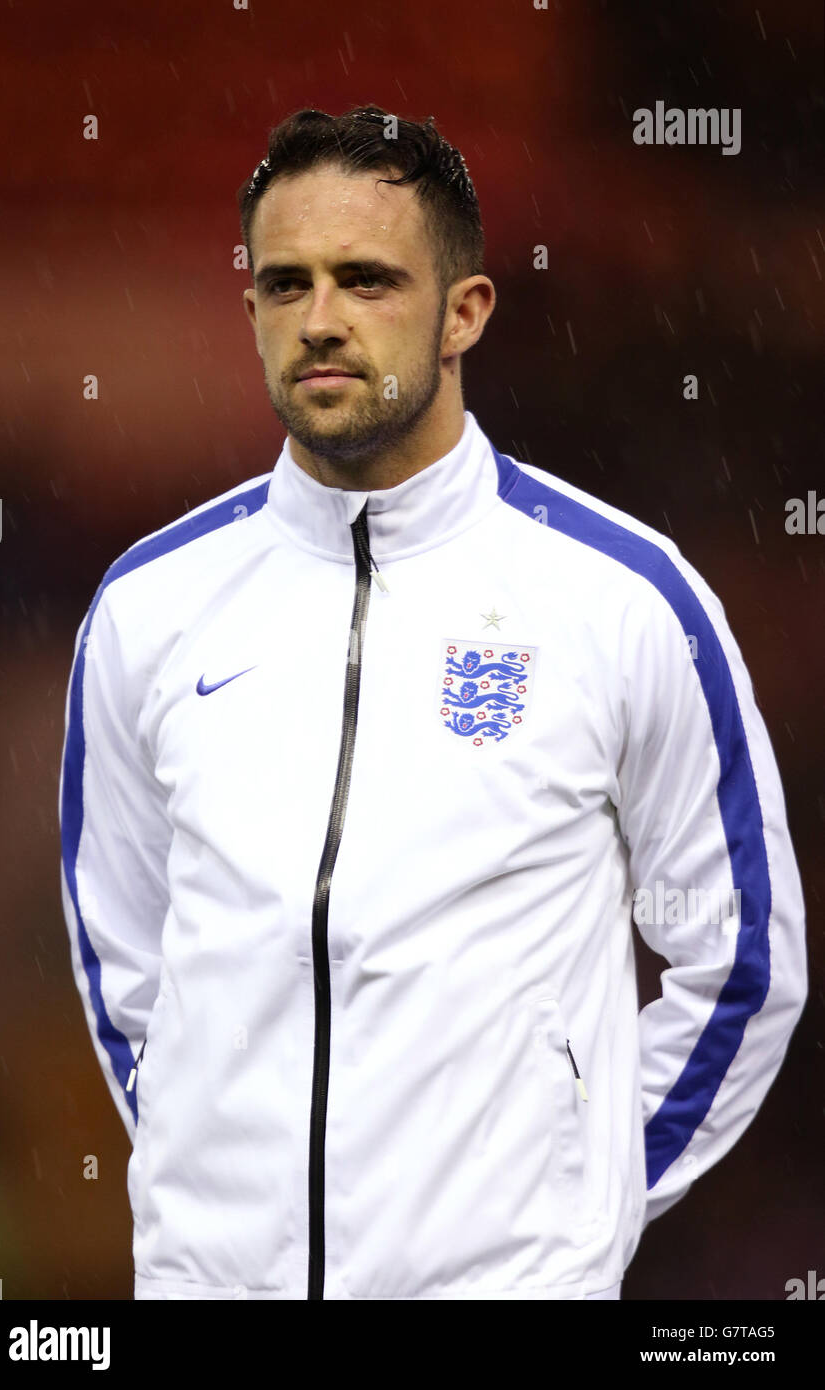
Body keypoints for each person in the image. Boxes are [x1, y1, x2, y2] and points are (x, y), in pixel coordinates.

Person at [58, 105, 807, 1301]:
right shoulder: (150, 606)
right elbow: (125, 965)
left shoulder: (622, 601)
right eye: (284, 282)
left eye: (366, 279)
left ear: (464, 311)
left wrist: (574, 1210)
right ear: (248, 306)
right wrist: (223, 1215)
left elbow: (744, 962)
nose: (319, 320)